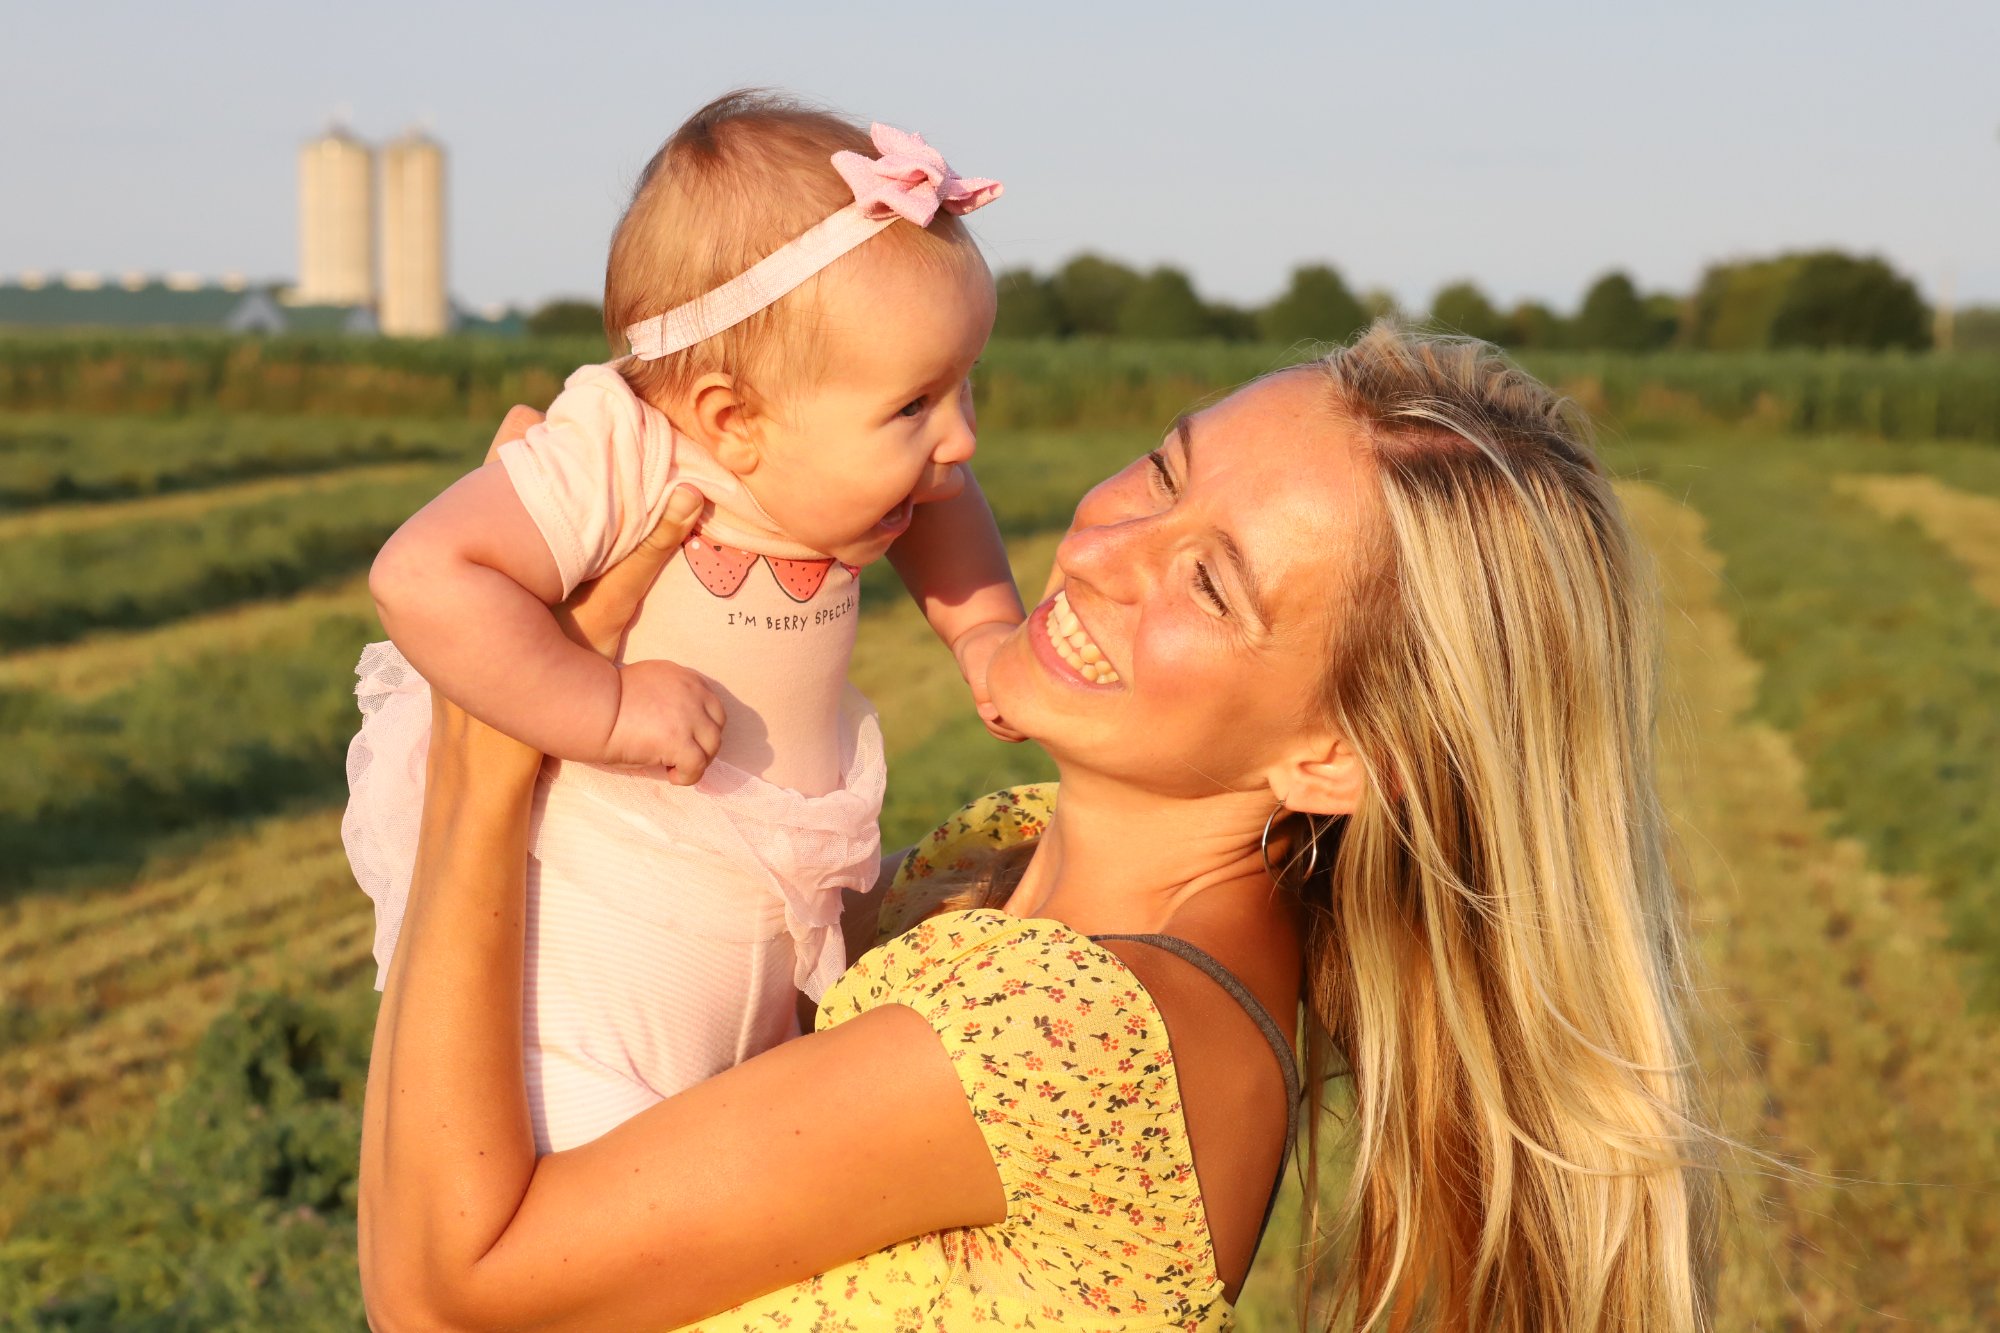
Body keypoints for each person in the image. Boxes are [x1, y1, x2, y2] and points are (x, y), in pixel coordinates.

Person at [360, 325, 1717, 1331]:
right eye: (1162, 470)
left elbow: (447, 1295)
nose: (1099, 551)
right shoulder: (1000, 861)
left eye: (1209, 583)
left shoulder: (1071, 1033)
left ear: (1336, 757)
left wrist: (489, 751)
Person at [344, 92, 1025, 1152]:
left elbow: (948, 505)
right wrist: (604, 707)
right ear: (730, 418)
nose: (960, 440)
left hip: (756, 963)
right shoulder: (622, 451)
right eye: (913, 406)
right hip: (587, 1010)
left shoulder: (851, 464)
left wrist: (983, 631)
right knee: (612, 1205)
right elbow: (425, 572)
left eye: (961, 389)